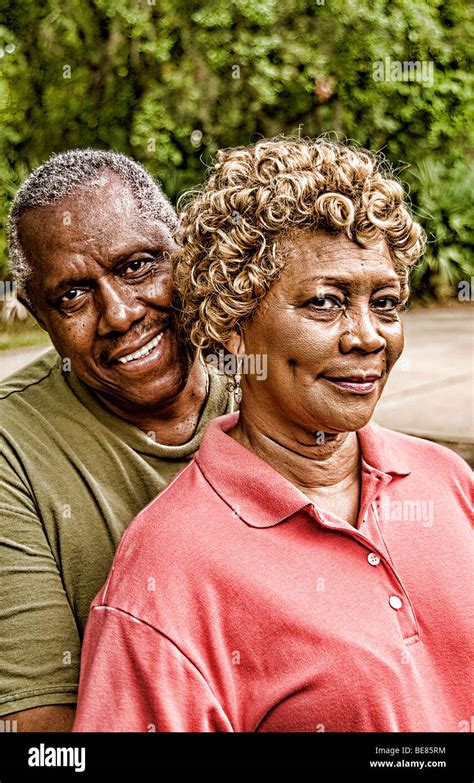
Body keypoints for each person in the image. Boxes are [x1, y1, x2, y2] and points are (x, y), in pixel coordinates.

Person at [73, 137, 472, 732]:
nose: (368, 337)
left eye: (385, 303)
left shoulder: (448, 480)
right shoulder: (165, 576)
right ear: (233, 326)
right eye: (325, 303)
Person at [0, 150, 233, 732]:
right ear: (37, 313)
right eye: (73, 296)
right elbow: (42, 731)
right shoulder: (12, 445)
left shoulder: (271, 374)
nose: (120, 314)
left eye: (137, 267)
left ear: (184, 252)